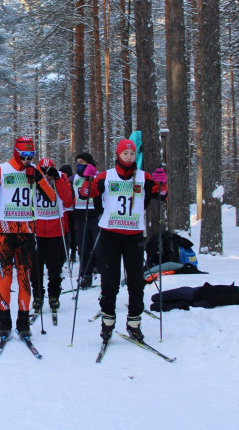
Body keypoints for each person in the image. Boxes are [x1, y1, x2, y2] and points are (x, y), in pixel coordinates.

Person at [79, 139, 168, 342]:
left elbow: (162, 196)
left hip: (134, 235)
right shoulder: (105, 176)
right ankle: (107, 323)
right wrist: (87, 179)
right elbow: (84, 195)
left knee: (136, 282)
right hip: (110, 235)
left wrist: (163, 182)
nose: (128, 157)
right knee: (109, 282)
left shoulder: (143, 177)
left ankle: (134, 323)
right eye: (125, 154)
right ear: (118, 155)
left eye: (132, 154)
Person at [0, 136, 56, 338]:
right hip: (4, 230)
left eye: (31, 156)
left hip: (26, 231)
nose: (27, 160)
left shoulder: (34, 171)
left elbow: (52, 198)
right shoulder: (1, 169)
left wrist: (39, 178)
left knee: (25, 278)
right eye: (23, 155)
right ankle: (4, 321)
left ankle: (23, 322)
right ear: (16, 152)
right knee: (5, 277)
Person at [32, 158, 74, 313]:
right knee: (36, 266)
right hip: (38, 228)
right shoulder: (34, 176)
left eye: (49, 171)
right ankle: (38, 295)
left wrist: (56, 179)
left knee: (54, 267)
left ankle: (54, 295)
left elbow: (68, 201)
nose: (46, 175)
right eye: (44, 171)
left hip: (56, 228)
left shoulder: (61, 177)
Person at [72, 153, 102, 288]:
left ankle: (102, 271)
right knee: (84, 247)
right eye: (77, 162)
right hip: (80, 215)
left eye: (82, 163)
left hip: (95, 215)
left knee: (99, 246)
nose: (79, 165)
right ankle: (86, 274)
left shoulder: (97, 176)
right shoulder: (74, 178)